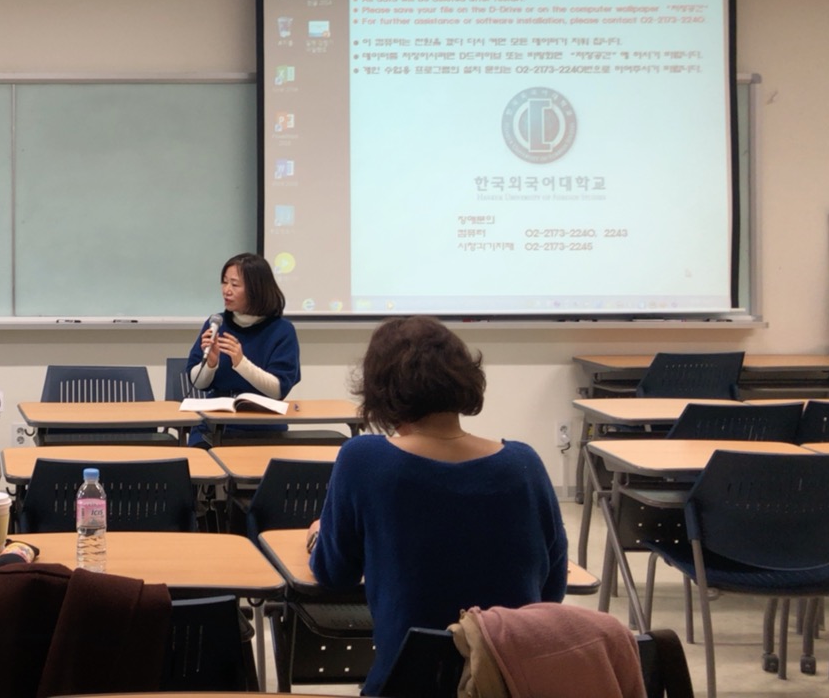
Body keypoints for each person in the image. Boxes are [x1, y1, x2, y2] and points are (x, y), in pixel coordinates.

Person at [308, 316, 567, 694]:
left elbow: (334, 573)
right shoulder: (523, 464)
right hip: (508, 684)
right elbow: (551, 592)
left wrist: (319, 536)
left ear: (380, 388)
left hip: (406, 684)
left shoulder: (363, 460)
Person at [185, 252, 300, 413]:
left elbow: (278, 390)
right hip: (217, 418)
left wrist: (241, 363)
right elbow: (197, 383)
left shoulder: (282, 330)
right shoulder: (216, 324)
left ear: (256, 290)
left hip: (262, 420)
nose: (226, 290)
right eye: (225, 282)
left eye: (235, 284)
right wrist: (210, 364)